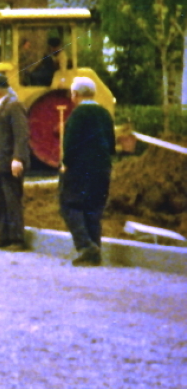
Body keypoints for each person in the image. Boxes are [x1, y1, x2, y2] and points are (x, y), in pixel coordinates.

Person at [58, 77, 114, 267]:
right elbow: (111, 144)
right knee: (93, 209)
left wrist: (66, 163)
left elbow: (71, 144)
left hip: (80, 169)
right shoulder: (105, 113)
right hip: (102, 168)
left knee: (69, 205)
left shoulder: (77, 115)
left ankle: (85, 246)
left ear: (75, 95)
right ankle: (94, 251)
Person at [0, 71, 31, 250]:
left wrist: (18, 157)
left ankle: (17, 238)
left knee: (11, 198)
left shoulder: (14, 106)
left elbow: (21, 134)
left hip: (8, 159)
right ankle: (2, 236)